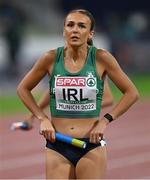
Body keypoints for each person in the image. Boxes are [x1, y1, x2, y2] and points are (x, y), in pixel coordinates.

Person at [17, 9, 139, 179]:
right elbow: (23, 89)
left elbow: (132, 93)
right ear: (64, 31)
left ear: (90, 34)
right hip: (57, 145)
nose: (74, 30)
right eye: (70, 25)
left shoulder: (101, 58)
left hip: (91, 145)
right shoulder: (50, 58)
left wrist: (105, 121)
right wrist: (41, 118)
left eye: (81, 26)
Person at [15, 78, 114, 130]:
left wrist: (79, 107)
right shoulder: (58, 62)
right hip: (60, 137)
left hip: (88, 133)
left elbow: (108, 99)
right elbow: (51, 93)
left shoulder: (95, 65)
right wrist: (33, 115)